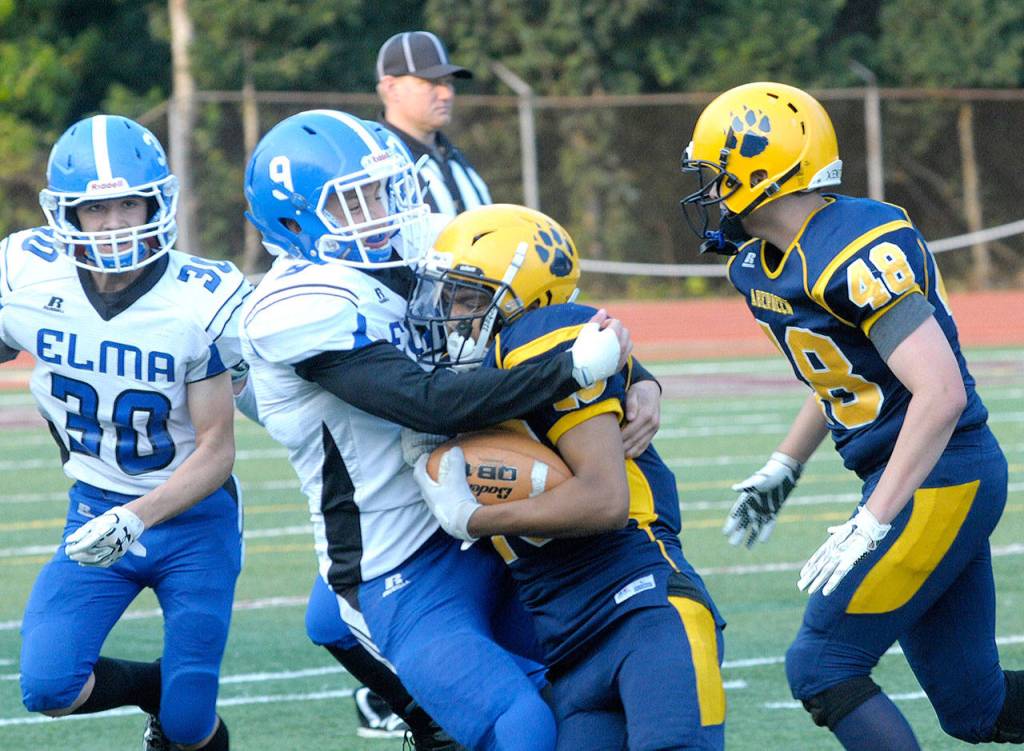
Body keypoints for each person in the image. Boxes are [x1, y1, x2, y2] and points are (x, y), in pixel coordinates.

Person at [238, 109, 643, 750]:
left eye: (382, 191)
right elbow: (428, 403)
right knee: (525, 725)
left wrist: (636, 375)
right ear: (295, 223)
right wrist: (569, 371)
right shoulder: (300, 307)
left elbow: (527, 294)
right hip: (402, 561)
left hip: (491, 521)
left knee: (607, 683)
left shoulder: (406, 240)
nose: (381, 212)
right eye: (355, 202)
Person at [679, 81, 1023, 749]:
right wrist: (785, 464)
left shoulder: (854, 246)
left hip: (943, 475)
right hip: (917, 474)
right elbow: (843, 374)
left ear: (761, 170)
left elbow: (941, 392)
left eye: (716, 174)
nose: (708, 192)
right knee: (974, 705)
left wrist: (873, 518)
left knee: (821, 664)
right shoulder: (761, 265)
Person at [407, 203, 727, 750]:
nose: (449, 312)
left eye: (467, 296)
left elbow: (604, 501)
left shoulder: (541, 333)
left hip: (643, 611)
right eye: (446, 294)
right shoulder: (474, 376)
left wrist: (476, 518)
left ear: (525, 301)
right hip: (571, 647)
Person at [0, 115, 250, 750]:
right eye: (97, 209)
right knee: (48, 686)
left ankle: (181, 714)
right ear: (67, 214)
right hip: (92, 507)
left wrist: (138, 518)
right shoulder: (28, 276)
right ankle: (151, 689)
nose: (116, 224)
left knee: (192, 726)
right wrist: (115, 517)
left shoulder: (201, 298)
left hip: (193, 519)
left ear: (156, 200)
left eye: (129, 203)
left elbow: (217, 450)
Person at [375, 30, 491, 216]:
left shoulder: (451, 156)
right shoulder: (376, 166)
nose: (447, 94)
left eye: (448, 82)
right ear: (391, 88)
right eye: (431, 83)